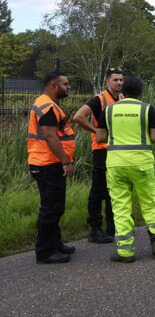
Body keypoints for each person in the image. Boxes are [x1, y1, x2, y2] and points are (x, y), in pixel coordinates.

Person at [96, 76, 155, 263]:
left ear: (122, 92)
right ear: (141, 93)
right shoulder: (147, 109)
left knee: (120, 206)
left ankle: (125, 252)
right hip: (142, 163)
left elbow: (100, 138)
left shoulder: (108, 110)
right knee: (150, 201)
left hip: (116, 165)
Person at [28, 71, 76, 264]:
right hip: (48, 164)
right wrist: (66, 161)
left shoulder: (46, 103)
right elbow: (49, 136)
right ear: (53, 86)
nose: (68, 87)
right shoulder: (48, 107)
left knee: (55, 207)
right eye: (65, 84)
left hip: (47, 162)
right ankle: (46, 252)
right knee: (50, 208)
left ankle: (55, 244)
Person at [73, 67, 123, 244]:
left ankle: (113, 227)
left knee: (114, 189)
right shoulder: (99, 99)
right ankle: (95, 229)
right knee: (98, 189)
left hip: (117, 150)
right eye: (115, 80)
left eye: (120, 80)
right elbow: (78, 116)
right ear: (107, 82)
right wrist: (96, 131)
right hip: (101, 150)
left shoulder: (122, 99)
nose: (119, 83)